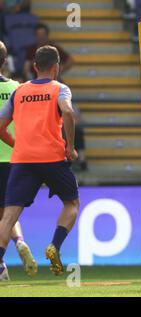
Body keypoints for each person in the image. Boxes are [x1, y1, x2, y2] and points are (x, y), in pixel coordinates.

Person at [0, 45, 80, 277]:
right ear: (56, 67)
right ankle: (54, 245)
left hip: (23, 160)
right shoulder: (60, 88)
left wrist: (19, 145)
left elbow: (1, 127)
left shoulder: (20, 91)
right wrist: (70, 147)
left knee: (9, 216)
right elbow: (67, 112)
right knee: (72, 203)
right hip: (52, 158)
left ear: (34, 67)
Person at [0, 40, 36, 281]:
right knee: (9, 213)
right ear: (5, 61)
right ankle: (20, 242)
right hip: (14, 159)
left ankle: (1, 266)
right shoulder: (18, 88)